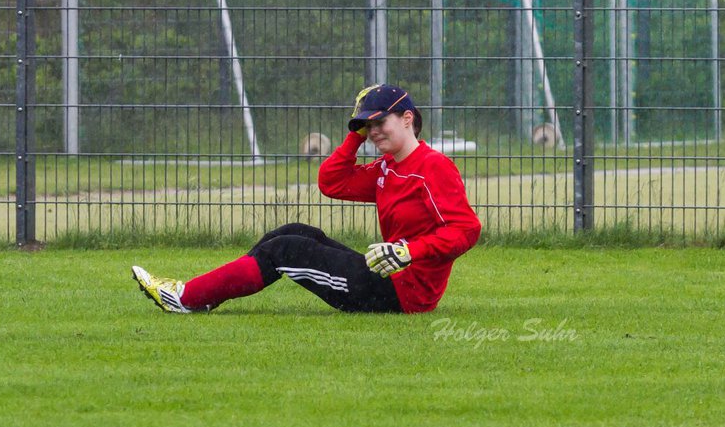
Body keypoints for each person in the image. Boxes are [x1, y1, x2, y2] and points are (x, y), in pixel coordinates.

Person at [132, 84, 481, 314]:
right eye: (366, 126)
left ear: (407, 118)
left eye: (379, 123)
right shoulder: (387, 167)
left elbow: (466, 229)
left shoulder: (433, 166)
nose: (373, 132)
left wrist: (409, 250)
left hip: (403, 294)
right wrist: (354, 139)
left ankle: (186, 299)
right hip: (389, 278)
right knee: (296, 231)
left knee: (285, 251)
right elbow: (333, 182)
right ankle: (202, 295)